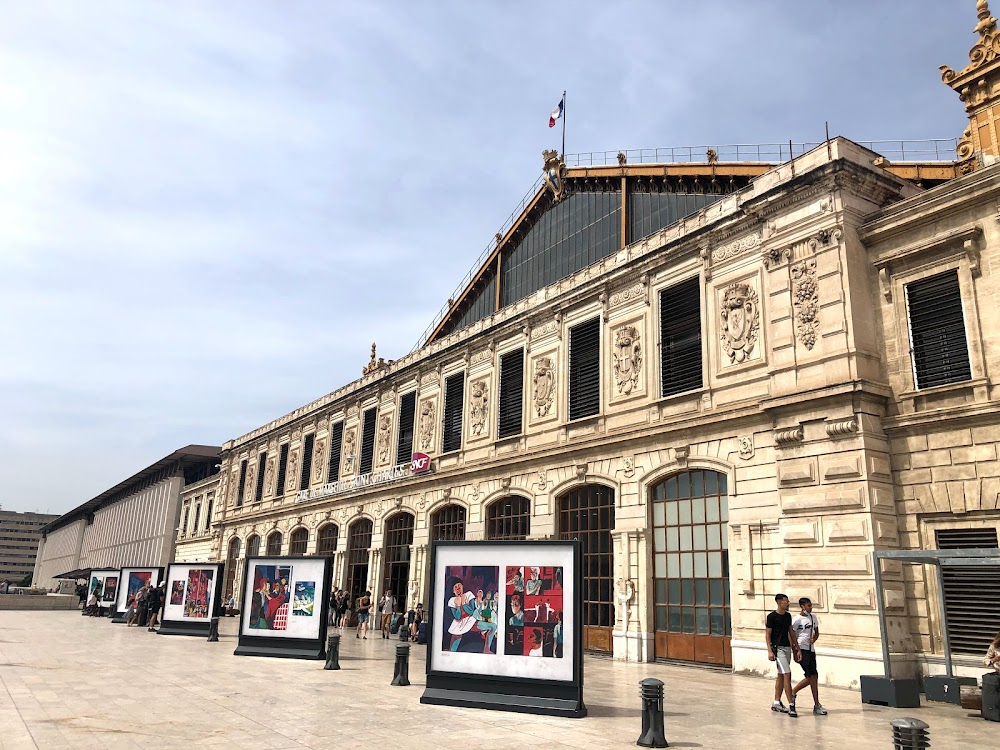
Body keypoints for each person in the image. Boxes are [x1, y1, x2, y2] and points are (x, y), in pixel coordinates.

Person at [766, 593, 801, 716]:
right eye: (786, 601)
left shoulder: (787, 616)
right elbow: (768, 635)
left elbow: (791, 632)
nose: (788, 603)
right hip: (778, 649)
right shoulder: (771, 617)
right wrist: (770, 650)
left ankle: (776, 702)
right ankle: (791, 704)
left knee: (781, 675)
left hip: (787, 648)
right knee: (787, 674)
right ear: (779, 602)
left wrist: (797, 648)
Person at [791, 597, 827, 716]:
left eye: (811, 606)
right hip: (801, 649)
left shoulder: (813, 617)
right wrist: (795, 651)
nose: (810, 608)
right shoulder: (796, 620)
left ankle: (815, 703)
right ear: (802, 607)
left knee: (813, 676)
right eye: (808, 606)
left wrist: (814, 639)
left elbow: (816, 632)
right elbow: (791, 635)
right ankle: (793, 692)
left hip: (811, 649)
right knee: (811, 675)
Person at [446, 577, 496, 653]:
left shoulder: (469, 595)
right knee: (452, 650)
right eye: (455, 587)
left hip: (471, 622)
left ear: (462, 586)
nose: (458, 589)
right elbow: (457, 616)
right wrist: (459, 605)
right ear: (453, 591)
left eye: (459, 586)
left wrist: (464, 603)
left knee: (493, 626)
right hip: (458, 626)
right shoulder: (452, 601)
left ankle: (486, 649)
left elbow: (471, 612)